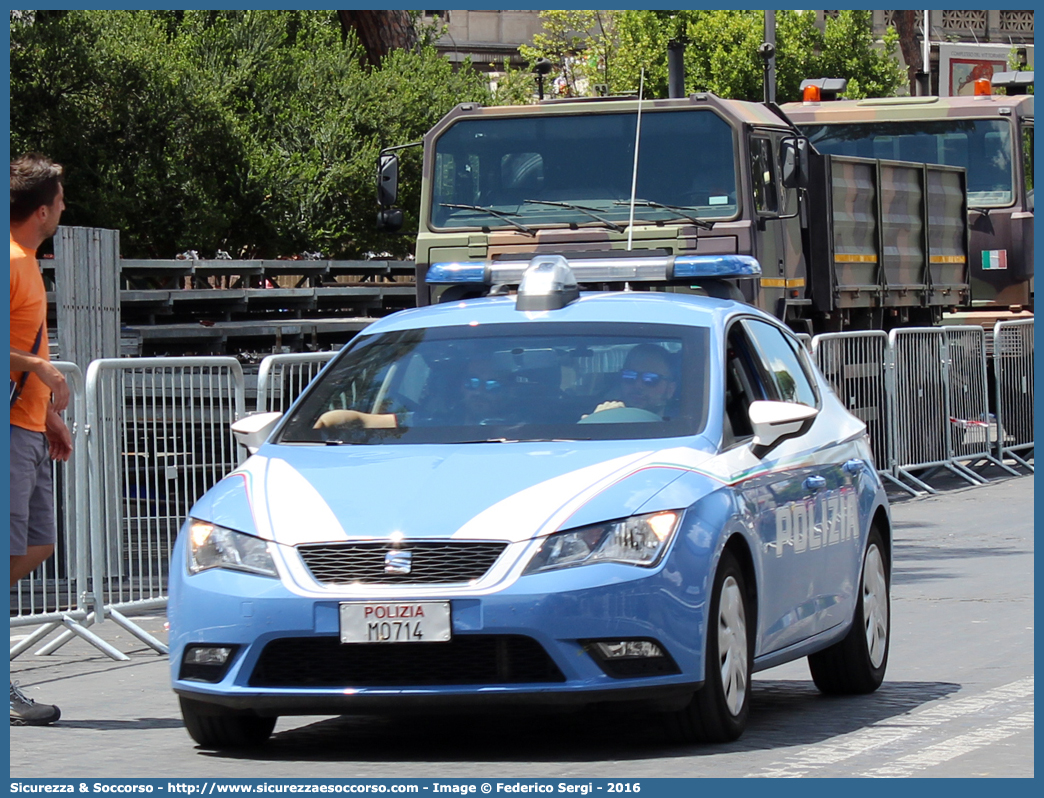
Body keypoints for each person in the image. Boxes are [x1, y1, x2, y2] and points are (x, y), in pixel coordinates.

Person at [10, 153, 70, 726]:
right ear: (41, 209)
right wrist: (44, 371)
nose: (64, 207)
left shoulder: (27, 260)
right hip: (8, 431)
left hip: (28, 426)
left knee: (38, 545)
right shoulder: (9, 260)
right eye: (60, 199)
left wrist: (47, 411)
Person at [313, 357, 513, 431]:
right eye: (472, 383)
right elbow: (366, 421)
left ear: (507, 393)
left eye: (492, 385)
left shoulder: (518, 428)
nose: (479, 391)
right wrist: (332, 418)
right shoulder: (437, 422)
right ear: (461, 387)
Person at [585, 343, 677, 419]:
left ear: (670, 389)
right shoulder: (600, 417)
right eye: (629, 375)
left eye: (650, 378)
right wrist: (598, 421)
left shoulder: (683, 432)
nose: (638, 385)